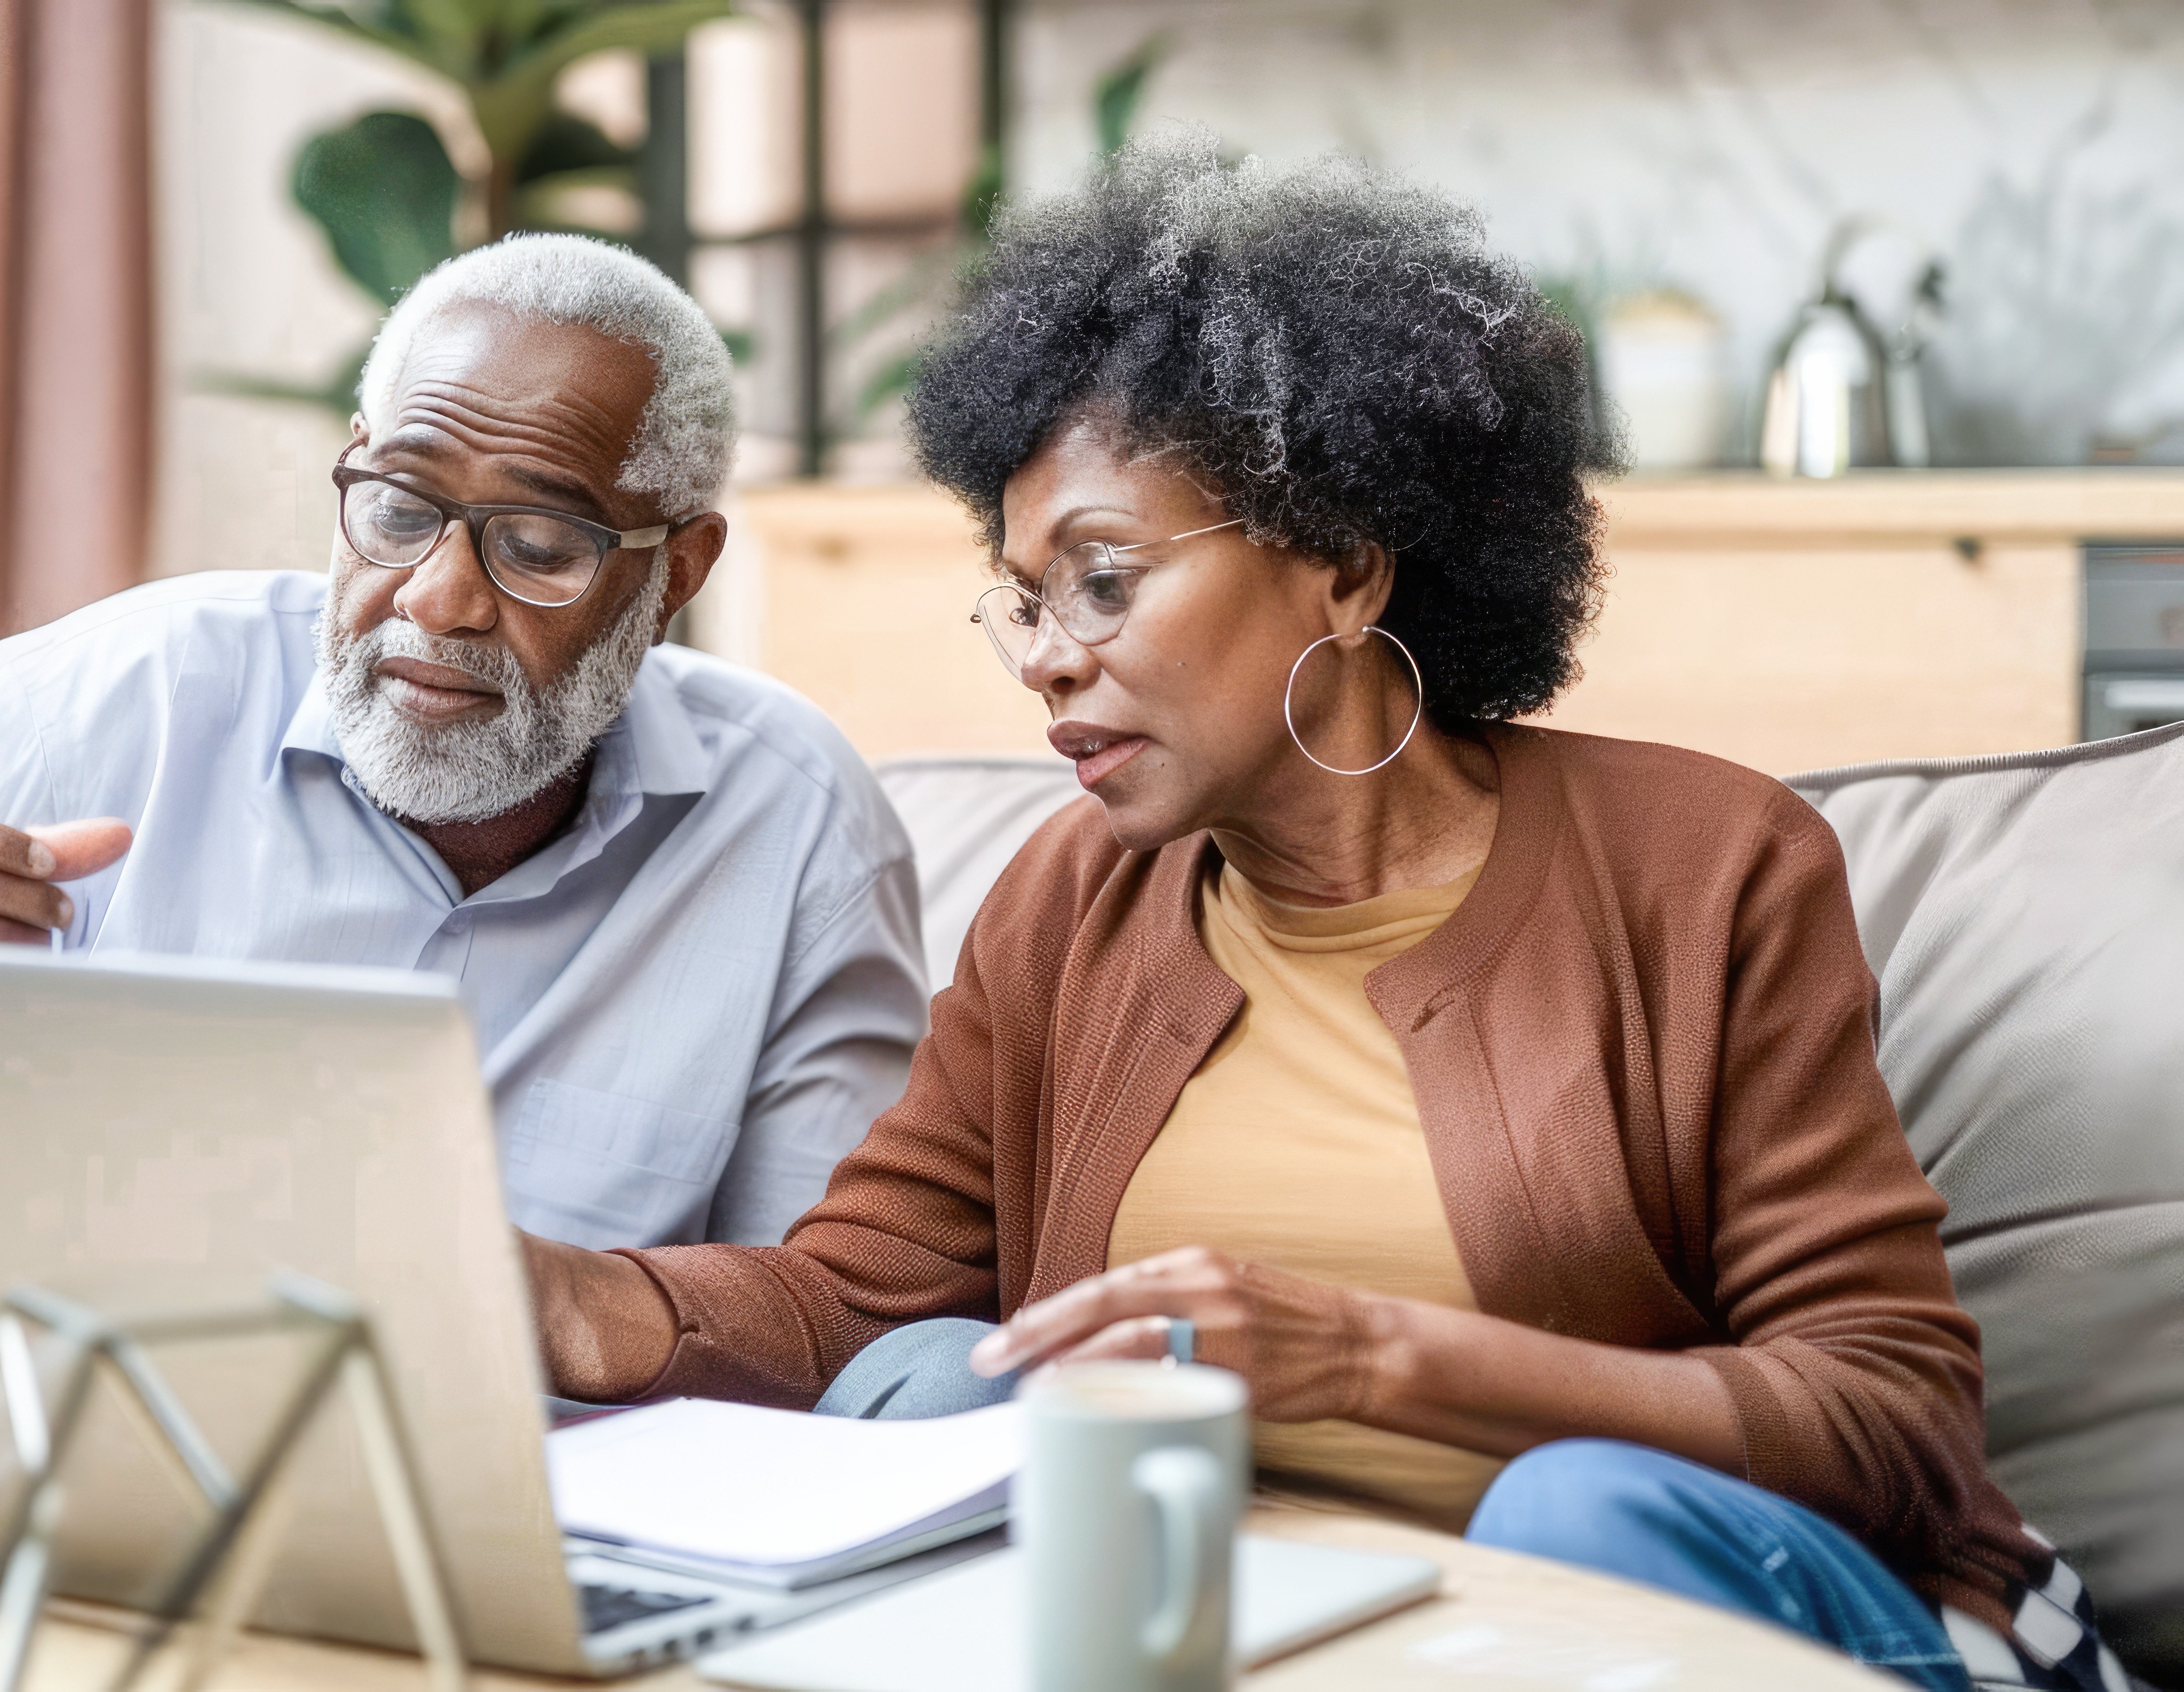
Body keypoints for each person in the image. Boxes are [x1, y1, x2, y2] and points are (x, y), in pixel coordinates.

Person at [517, 149, 2129, 1691]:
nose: (1043, 657)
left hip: (1730, 1620)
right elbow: (858, 1300)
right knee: (935, 1389)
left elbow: (1893, 1419)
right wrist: (574, 1298)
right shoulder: (1069, 900)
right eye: (1022, 596)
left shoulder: (1710, 866)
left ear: (1348, 572)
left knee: (1577, 1510)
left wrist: (1372, 1358)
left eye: (1104, 576)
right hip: (1279, 1636)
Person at [0, 235, 930, 1451]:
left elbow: (817, 1311)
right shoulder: (85, 704)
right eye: (398, 505)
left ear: (674, 570)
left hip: (528, 1492)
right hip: (45, 1415)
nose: (435, 599)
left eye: (540, 543)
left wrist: (569, 1305)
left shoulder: (796, 824)